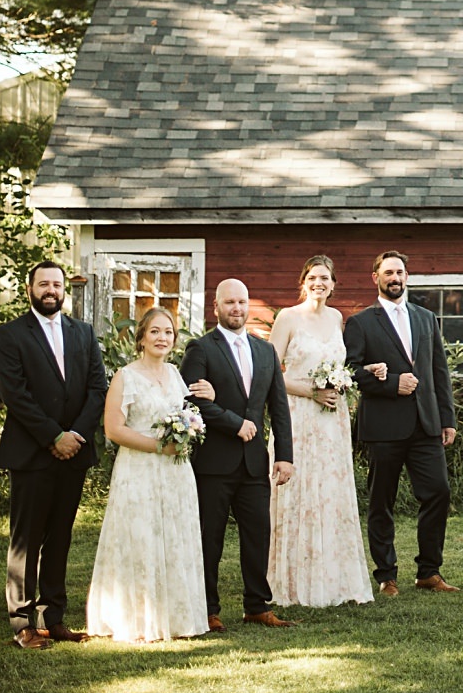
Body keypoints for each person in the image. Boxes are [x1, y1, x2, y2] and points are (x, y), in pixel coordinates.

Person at [0, 261, 108, 648]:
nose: (50, 290)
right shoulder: (10, 336)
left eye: (56, 284)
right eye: (43, 284)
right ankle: (22, 622)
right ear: (30, 290)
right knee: (27, 537)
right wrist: (52, 436)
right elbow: (15, 395)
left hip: (74, 451)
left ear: (64, 290)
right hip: (31, 452)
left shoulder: (83, 333)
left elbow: (97, 388)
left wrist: (74, 434)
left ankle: (52, 616)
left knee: (60, 536)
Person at [86, 307, 211, 641]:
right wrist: (157, 447)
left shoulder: (174, 374)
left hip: (175, 472)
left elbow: (188, 416)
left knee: (174, 536)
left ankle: (176, 617)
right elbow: (113, 429)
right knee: (141, 536)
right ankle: (137, 618)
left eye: (168, 332)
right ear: (141, 337)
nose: (162, 338)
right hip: (139, 470)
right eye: (155, 331)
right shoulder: (126, 376)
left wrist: (191, 428)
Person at [181, 278, 295, 630]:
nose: (237, 309)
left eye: (242, 302)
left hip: (253, 463)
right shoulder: (200, 349)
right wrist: (235, 423)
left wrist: (284, 455)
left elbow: (279, 407)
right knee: (209, 537)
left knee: (258, 534)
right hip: (214, 462)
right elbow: (190, 403)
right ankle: (208, 608)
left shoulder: (265, 352)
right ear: (216, 307)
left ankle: (257, 606)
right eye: (229, 302)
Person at [344, 252, 457, 596]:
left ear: (407, 276)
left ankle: (429, 571)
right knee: (382, 501)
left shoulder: (425, 318)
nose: (395, 277)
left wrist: (447, 418)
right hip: (383, 426)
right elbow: (350, 372)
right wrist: (392, 383)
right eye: (388, 272)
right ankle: (386, 575)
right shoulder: (361, 322)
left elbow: (439, 370)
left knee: (438, 492)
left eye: (400, 271)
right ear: (375, 276)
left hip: (425, 423)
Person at [268, 254, 375, 608]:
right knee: (298, 493)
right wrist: (311, 391)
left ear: (333, 284)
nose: (319, 283)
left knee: (330, 493)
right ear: (303, 281)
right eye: (313, 277)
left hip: (332, 421)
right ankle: (293, 580)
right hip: (298, 417)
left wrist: (345, 381)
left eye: (325, 278)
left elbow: (338, 367)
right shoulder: (287, 317)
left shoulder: (336, 318)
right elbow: (269, 373)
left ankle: (335, 578)